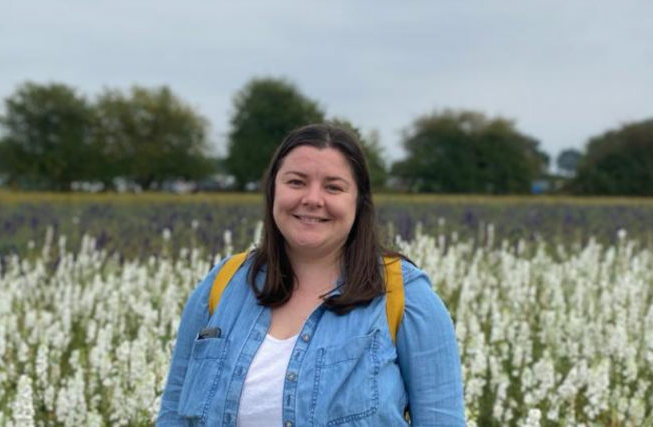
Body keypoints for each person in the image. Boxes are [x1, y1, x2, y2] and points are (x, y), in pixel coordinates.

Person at [157, 124, 465, 426]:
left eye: (333, 187)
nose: (312, 199)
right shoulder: (223, 285)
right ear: (272, 190)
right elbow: (172, 416)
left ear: (358, 201)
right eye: (296, 182)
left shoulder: (406, 296)